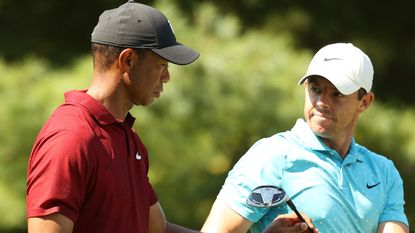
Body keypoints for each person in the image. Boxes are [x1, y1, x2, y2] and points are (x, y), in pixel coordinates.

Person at [26, 1, 316, 233]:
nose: (166, 77)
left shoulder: (127, 138)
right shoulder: (70, 139)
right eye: (161, 65)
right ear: (128, 60)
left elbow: (157, 228)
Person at [201, 43, 410, 233]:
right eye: (315, 89)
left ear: (364, 102)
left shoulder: (384, 172)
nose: (321, 101)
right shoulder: (270, 155)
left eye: (337, 94)